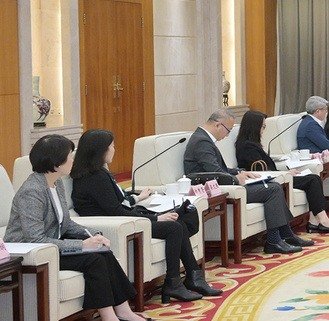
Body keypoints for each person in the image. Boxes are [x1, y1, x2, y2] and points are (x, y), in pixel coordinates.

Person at [4, 135, 152, 321]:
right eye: (69, 157)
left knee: (103, 252)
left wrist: (92, 235)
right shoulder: (32, 191)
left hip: (51, 248)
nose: (73, 161)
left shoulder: (56, 183)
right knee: (94, 260)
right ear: (56, 163)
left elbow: (65, 223)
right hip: (34, 254)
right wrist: (81, 245)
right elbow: (35, 239)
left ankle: (123, 311)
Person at [71, 129, 218, 304]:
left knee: (180, 221)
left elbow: (117, 202)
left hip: (124, 218)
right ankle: (174, 282)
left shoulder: (98, 173)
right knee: (174, 227)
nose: (114, 150)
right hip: (116, 223)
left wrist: (138, 199)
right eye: (112, 146)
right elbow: (115, 211)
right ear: (100, 150)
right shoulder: (94, 177)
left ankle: (193, 276)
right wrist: (155, 219)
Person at [185, 109, 311, 254]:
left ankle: (285, 235)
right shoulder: (202, 141)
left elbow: (219, 169)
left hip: (222, 183)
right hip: (217, 189)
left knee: (273, 186)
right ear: (218, 125)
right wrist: (235, 179)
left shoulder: (203, 138)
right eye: (228, 130)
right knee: (273, 189)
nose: (228, 135)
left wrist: (240, 172)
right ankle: (274, 241)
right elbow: (215, 173)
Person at [235, 110, 329, 235]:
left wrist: (286, 172)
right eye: (263, 126)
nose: (264, 129)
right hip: (270, 181)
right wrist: (284, 174)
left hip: (277, 176)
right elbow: (260, 170)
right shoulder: (247, 146)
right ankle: (322, 220)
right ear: (254, 127)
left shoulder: (252, 144)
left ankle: (315, 220)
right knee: (312, 180)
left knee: (314, 178)